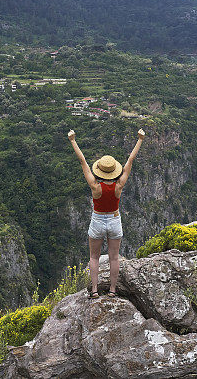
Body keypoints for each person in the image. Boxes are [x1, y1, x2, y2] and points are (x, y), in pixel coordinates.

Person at [68, 128, 146, 298]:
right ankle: (112, 290)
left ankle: (95, 290)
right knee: (114, 258)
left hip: (97, 220)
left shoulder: (95, 187)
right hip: (114, 220)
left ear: (100, 170)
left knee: (94, 257)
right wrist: (140, 139)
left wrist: (73, 140)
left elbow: (83, 162)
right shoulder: (119, 186)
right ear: (114, 170)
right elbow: (130, 161)